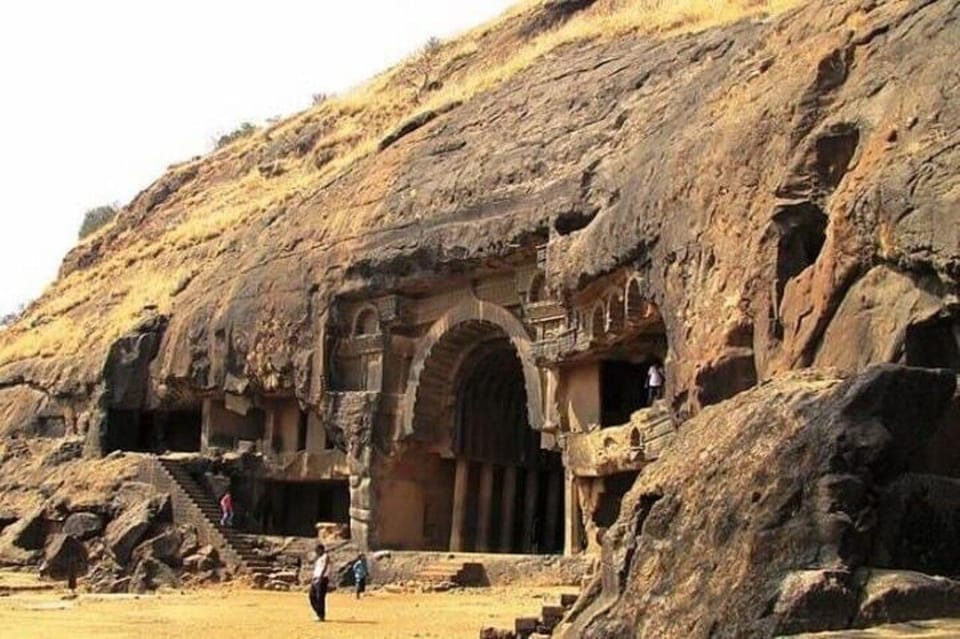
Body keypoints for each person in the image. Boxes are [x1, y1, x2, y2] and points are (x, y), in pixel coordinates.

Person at [309, 544, 331, 621]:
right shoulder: (318, 558)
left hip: (322, 579)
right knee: (312, 596)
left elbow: (325, 566)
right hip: (315, 579)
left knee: (320, 598)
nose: (316, 552)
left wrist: (320, 577)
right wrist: (313, 578)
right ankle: (318, 612)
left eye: (317, 550)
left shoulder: (326, 556)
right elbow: (317, 569)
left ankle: (321, 615)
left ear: (321, 549)